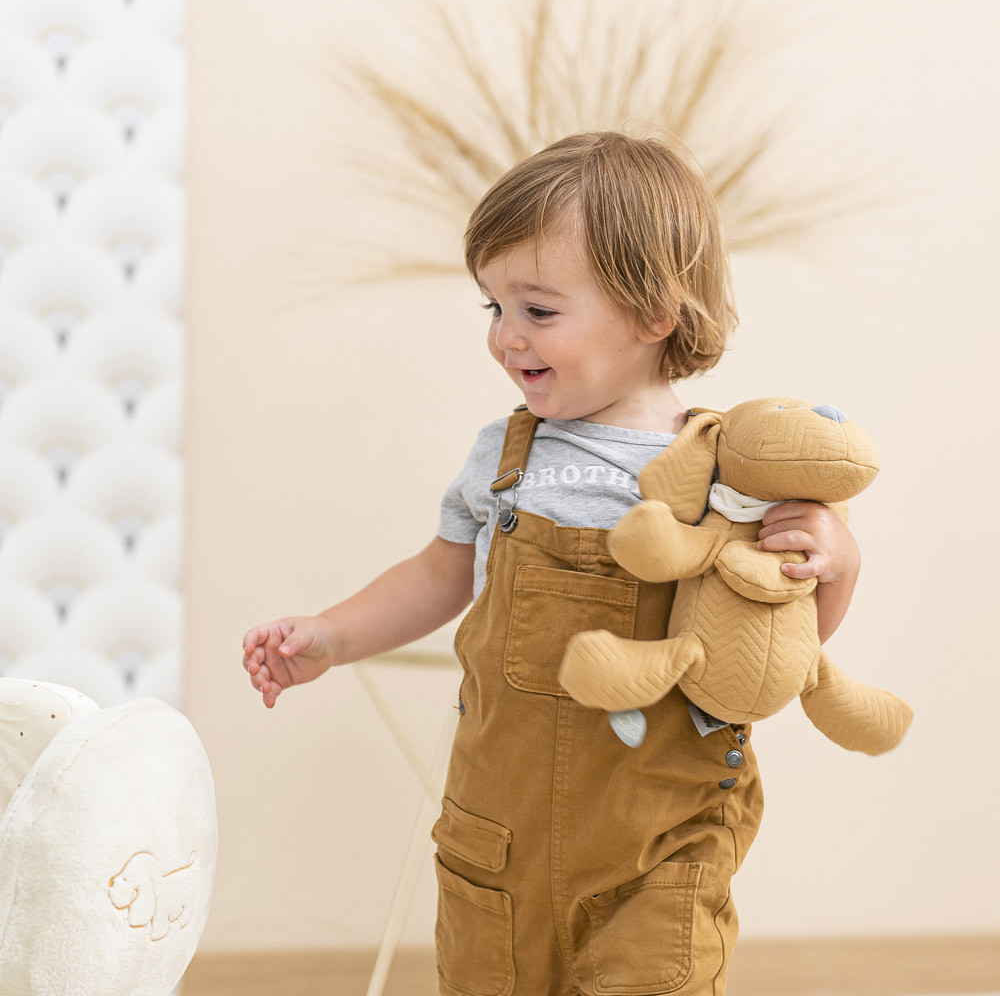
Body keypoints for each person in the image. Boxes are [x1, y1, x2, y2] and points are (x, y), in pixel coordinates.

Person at [242, 131, 861, 995]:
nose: (506, 337)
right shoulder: (504, 457)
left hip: (659, 844)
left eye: (537, 310)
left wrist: (835, 563)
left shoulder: (732, 476)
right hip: (500, 837)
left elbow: (779, 648)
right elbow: (439, 573)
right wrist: (333, 635)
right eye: (492, 307)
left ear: (653, 312)